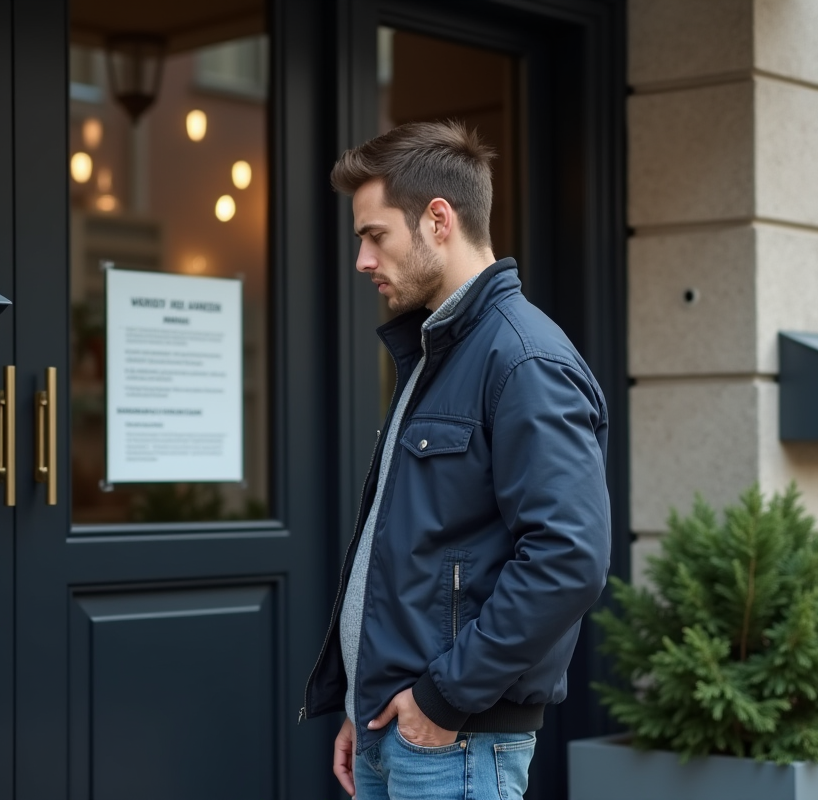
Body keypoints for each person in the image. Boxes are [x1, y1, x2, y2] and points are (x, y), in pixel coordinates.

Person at [300, 120, 611, 800]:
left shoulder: (524, 359)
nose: (362, 260)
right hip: (396, 726)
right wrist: (364, 702)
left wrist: (443, 697)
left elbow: (568, 557)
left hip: (456, 739)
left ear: (438, 219)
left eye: (374, 234)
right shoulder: (435, 353)